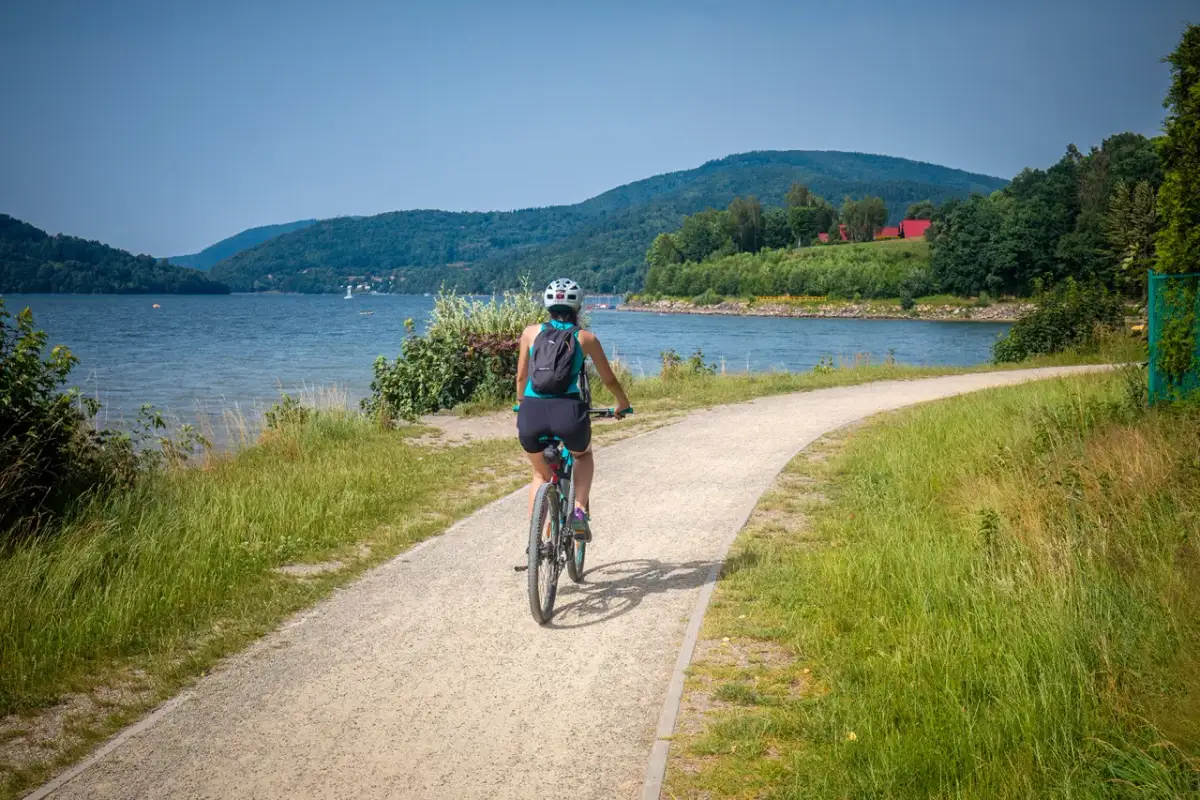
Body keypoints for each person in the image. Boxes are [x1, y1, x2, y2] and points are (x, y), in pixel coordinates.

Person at [515, 278, 632, 541]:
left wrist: (521, 402)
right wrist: (622, 403)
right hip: (568, 414)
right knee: (583, 455)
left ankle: (536, 537)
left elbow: (521, 377)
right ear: (578, 306)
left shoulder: (530, 333)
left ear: (547, 305)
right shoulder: (585, 338)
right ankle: (579, 513)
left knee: (540, 474)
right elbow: (609, 379)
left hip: (531, 414)